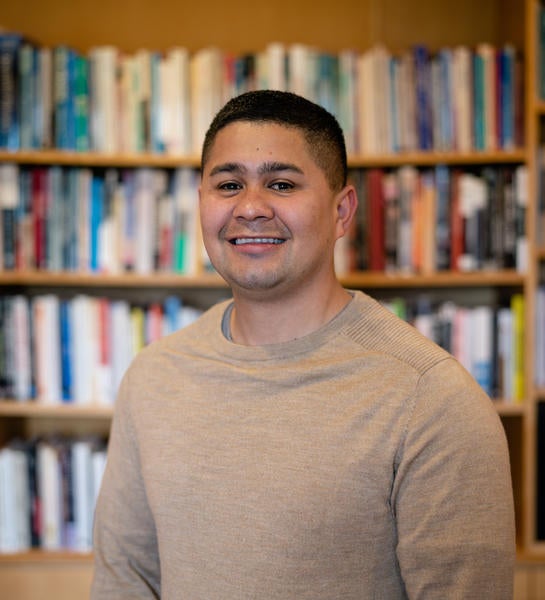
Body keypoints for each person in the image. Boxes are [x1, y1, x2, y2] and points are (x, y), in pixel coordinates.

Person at [90, 90, 515, 599]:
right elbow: (123, 583)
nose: (249, 207)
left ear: (341, 211)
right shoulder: (154, 375)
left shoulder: (431, 398)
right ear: (201, 204)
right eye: (228, 184)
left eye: (281, 183)